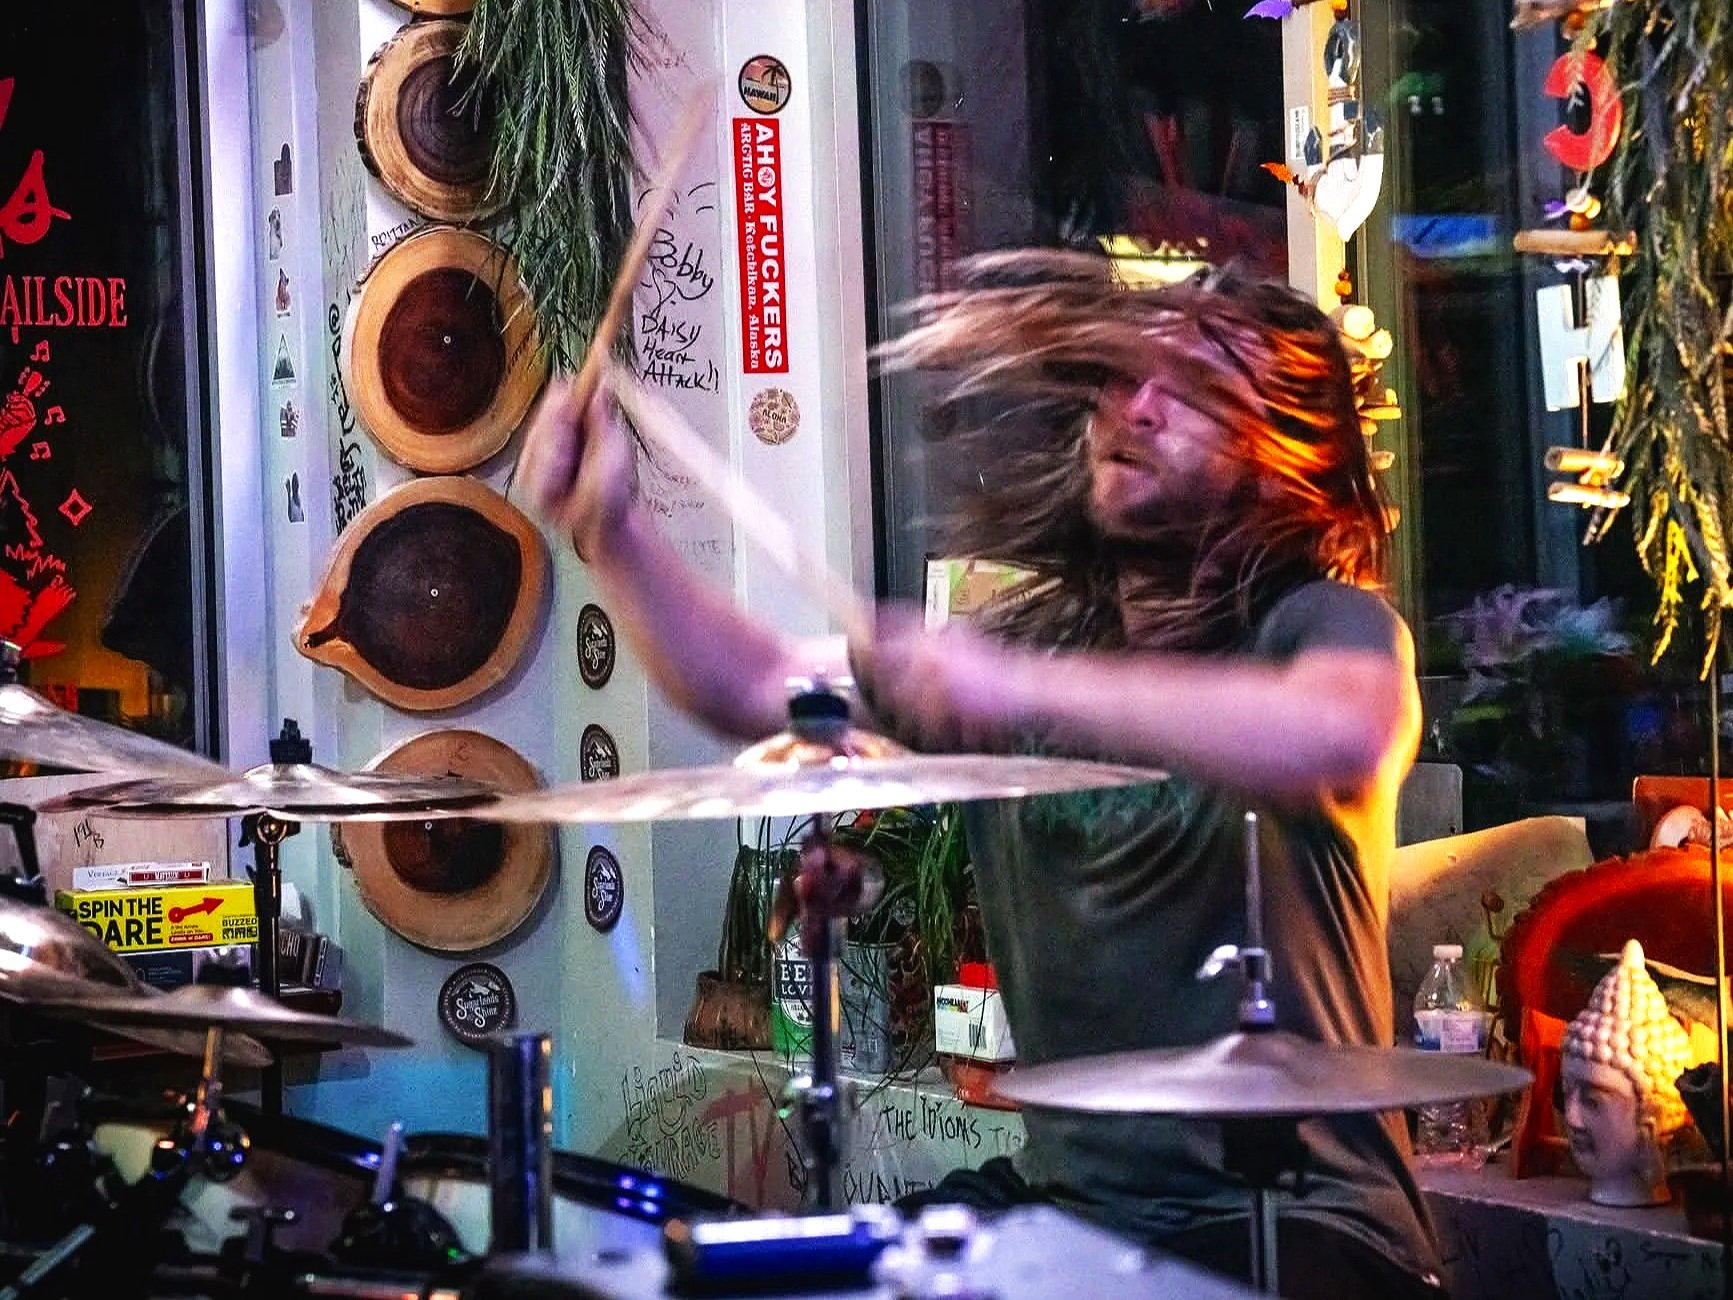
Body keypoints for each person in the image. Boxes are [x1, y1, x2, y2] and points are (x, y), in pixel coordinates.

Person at [520, 252, 1442, 1299]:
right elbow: (756, 683)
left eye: (1191, 391)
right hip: (1066, 1206)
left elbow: (1341, 731)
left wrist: (1014, 687)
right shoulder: (1030, 645)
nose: (1134, 408)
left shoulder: (1316, 624)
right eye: (1121, 376)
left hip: (1297, 1226)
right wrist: (610, 530)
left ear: (1287, 455)